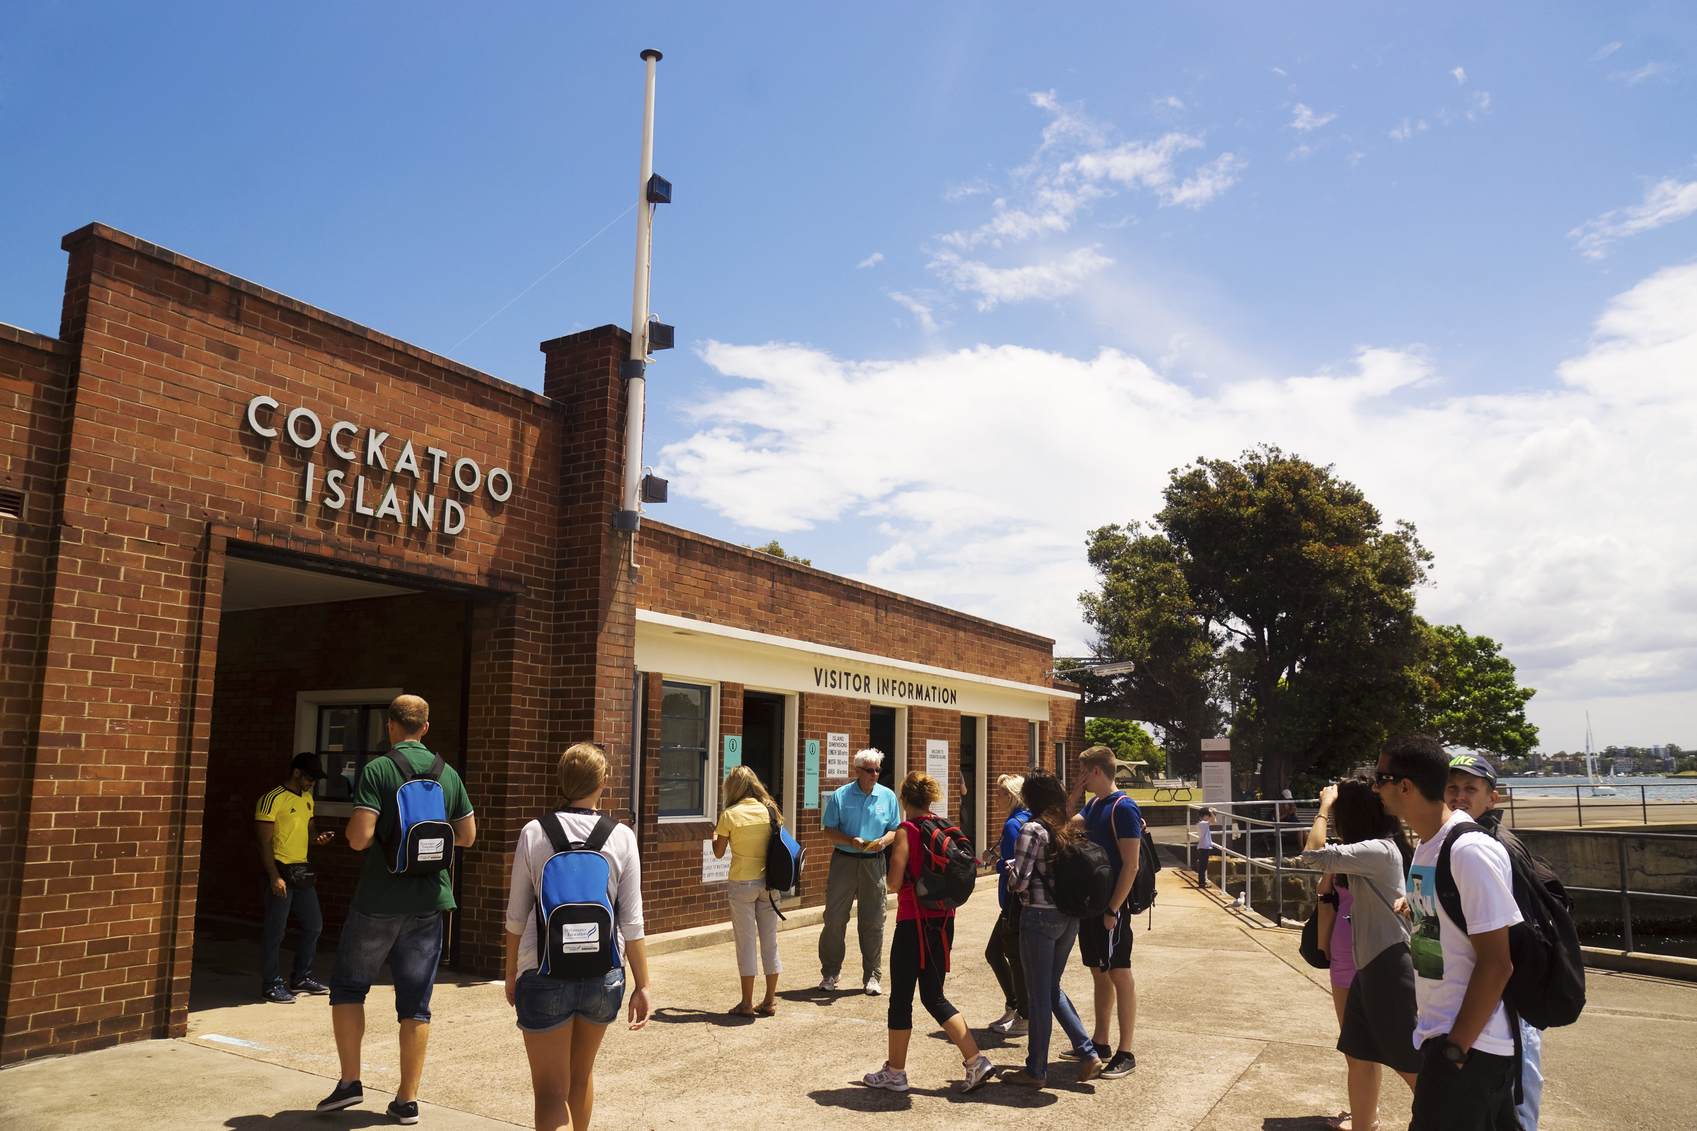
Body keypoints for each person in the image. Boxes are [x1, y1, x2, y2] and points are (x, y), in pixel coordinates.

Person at [317, 695, 477, 1124]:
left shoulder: (378, 770)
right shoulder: (449, 775)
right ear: (425, 728)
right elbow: (467, 837)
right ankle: (407, 1099)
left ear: (390, 726)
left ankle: (351, 1082)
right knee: (416, 1004)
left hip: (378, 901)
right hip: (430, 903)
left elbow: (359, 838)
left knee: (350, 988)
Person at [1374, 734, 1521, 1131]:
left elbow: (1497, 963)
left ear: (1405, 786)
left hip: (1472, 1048)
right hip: (1442, 1035)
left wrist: (1455, 1048)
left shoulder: (1468, 850)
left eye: (1380, 777)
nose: (1374, 786)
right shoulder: (1427, 845)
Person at [505, 742, 651, 1131]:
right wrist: (643, 984)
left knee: (550, 1093)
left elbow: (516, 917)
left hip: (542, 973)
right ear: (605, 781)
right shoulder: (621, 836)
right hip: (604, 975)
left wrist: (510, 973)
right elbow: (632, 921)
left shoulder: (535, 832)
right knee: (581, 1077)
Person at [1295, 775, 1421, 1131]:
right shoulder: (1371, 852)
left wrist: (1323, 806)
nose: (1334, 822)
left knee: (1411, 1065)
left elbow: (1312, 856)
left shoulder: (1380, 850)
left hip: (1389, 965)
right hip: (1368, 967)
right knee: (1359, 1055)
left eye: (1338, 816)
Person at [861, 771, 995, 1094]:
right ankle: (975, 1060)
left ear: (904, 799)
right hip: (944, 920)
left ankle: (896, 1073)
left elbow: (893, 883)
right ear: (930, 798)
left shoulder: (907, 830)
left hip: (913, 922)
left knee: (901, 999)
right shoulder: (943, 826)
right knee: (934, 996)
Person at [1444, 752, 1544, 1131]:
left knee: (1518, 1103)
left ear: (1492, 799)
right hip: (1493, 998)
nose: (1459, 796)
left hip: (1511, 1000)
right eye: (1452, 787)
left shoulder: (1485, 847)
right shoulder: (1457, 842)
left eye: (1471, 788)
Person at [998, 769, 1105, 1088]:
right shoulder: (1066, 827)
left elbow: (1021, 881)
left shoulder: (1032, 829)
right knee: (1051, 988)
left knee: (1039, 994)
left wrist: (1009, 870)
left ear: (1030, 797)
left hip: (1039, 918)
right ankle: (1087, 1053)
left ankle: (1035, 1070)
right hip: (1068, 918)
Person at [1064, 744, 1141, 1079]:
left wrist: (1113, 908)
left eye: (1082, 773)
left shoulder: (1123, 808)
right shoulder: (1095, 804)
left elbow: (1132, 865)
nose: (1080, 778)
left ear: (1096, 771)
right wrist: (1075, 793)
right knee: (1099, 972)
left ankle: (1126, 1051)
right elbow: (1065, 827)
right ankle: (1101, 1041)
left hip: (1112, 907)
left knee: (1119, 973)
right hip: (1092, 907)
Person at [819, 748, 901, 995]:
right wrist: (848, 840)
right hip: (844, 861)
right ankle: (831, 973)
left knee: (874, 920)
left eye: (878, 770)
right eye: (870, 770)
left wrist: (884, 842)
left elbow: (895, 829)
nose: (875, 774)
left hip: (874, 863)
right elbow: (828, 830)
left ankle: (872, 976)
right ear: (857, 771)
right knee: (834, 918)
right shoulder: (841, 796)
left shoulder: (887, 796)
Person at [255, 752, 335, 1002]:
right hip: (280, 872)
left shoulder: (308, 799)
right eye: (310, 778)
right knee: (275, 931)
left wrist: (318, 839)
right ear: (297, 772)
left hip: (301, 872)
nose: (313, 783)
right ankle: (270, 984)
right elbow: (263, 842)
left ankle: (301, 978)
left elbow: (310, 831)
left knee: (314, 925)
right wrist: (274, 876)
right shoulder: (272, 799)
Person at [712, 765, 781, 1017]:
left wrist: (715, 835)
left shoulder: (730, 814)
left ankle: (746, 1003)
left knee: (746, 943)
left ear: (733, 788)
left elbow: (718, 853)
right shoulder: (770, 810)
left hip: (742, 883)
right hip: (770, 883)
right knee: (770, 942)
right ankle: (770, 1000)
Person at [986, 774, 1030, 1034]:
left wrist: (994, 862)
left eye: (1001, 793)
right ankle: (1016, 1007)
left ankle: (1022, 1013)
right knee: (1005, 954)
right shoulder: (1030, 817)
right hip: (1025, 904)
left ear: (1011, 796)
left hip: (1013, 904)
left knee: (1003, 954)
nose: (996, 797)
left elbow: (1014, 867)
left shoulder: (1014, 824)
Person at [1195, 807, 1216, 889]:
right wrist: (1212, 813)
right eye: (1208, 815)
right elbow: (1214, 822)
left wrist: (1210, 813)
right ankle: (1202, 882)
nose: (1209, 817)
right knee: (1203, 865)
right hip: (1204, 847)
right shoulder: (1203, 823)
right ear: (1203, 816)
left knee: (1203, 865)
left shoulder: (1201, 823)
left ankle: (1202, 881)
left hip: (1203, 846)